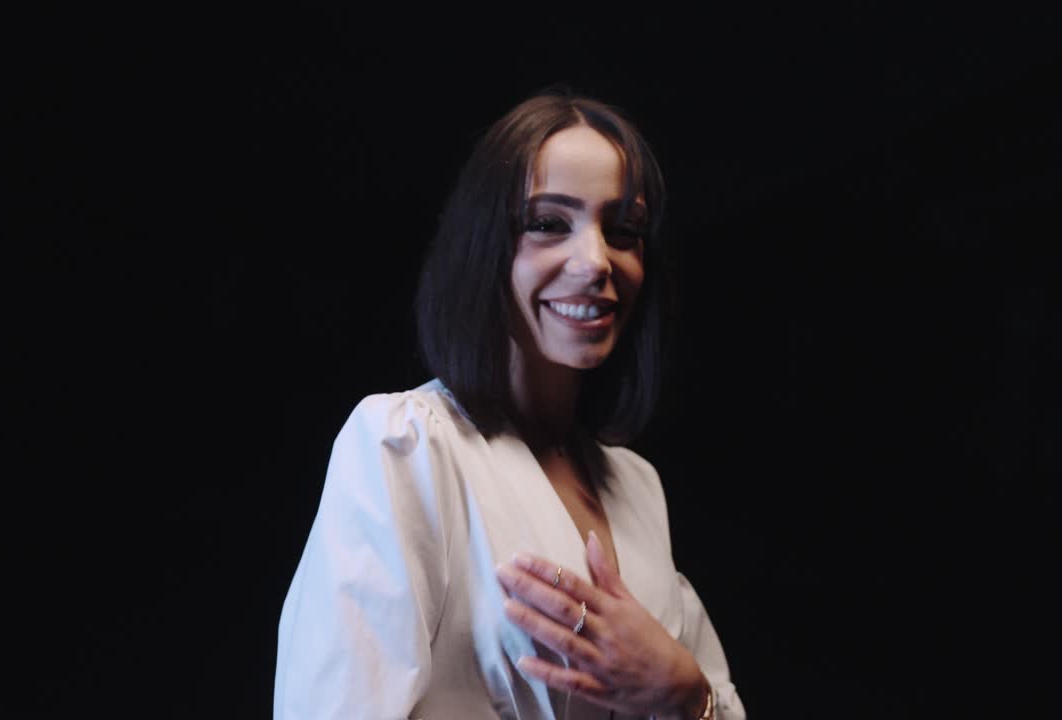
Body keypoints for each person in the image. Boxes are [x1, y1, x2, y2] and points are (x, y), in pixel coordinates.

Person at [273, 88, 746, 719]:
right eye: (550, 223)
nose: (596, 260)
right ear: (484, 247)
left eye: (623, 229)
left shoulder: (638, 488)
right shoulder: (408, 445)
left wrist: (687, 693)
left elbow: (717, 702)